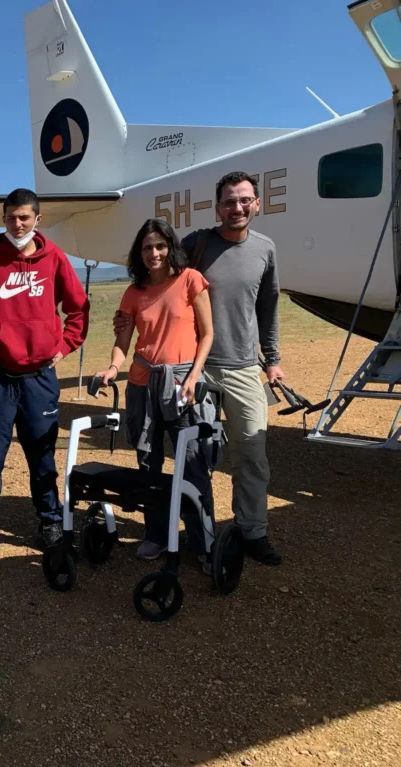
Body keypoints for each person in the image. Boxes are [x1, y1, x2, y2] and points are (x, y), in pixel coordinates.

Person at [113, 171, 285, 565]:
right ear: (217, 206)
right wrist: (127, 322)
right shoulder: (196, 245)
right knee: (196, 457)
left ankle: (252, 531)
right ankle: (188, 533)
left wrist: (272, 359)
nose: (237, 208)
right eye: (228, 201)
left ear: (257, 204)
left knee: (251, 453)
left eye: (244, 200)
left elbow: (268, 307)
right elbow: (159, 277)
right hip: (190, 370)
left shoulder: (265, 249)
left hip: (241, 366)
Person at [0, 187, 90, 565]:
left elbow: (78, 309)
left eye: (25, 217)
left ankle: (49, 522)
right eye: (11, 217)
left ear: (37, 219)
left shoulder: (54, 258)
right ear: (3, 218)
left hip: (39, 378)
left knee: (42, 455)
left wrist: (64, 346)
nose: (18, 223)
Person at [96, 218, 216, 567]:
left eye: (160, 246)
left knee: (193, 462)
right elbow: (123, 343)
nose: (154, 253)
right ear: (139, 252)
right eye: (147, 247)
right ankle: (157, 535)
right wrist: (112, 368)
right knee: (148, 461)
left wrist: (194, 376)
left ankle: (202, 540)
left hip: (183, 383)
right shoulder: (134, 292)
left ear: (170, 247)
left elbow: (207, 334)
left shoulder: (191, 280)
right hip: (142, 383)